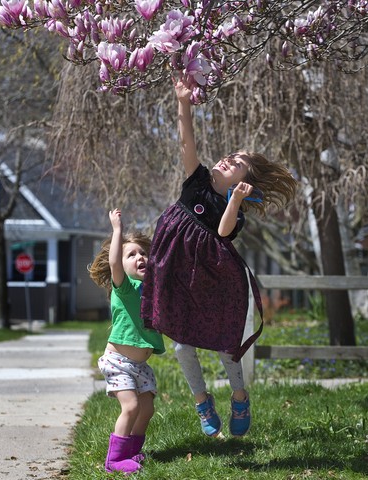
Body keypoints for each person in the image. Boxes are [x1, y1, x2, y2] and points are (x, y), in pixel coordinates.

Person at [141, 78, 297, 438]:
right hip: (177, 271)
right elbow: (186, 143)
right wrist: (183, 104)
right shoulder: (196, 181)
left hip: (212, 279)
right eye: (229, 156)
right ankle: (202, 401)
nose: (228, 160)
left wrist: (236, 201)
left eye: (238, 163)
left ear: (245, 181)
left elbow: (224, 232)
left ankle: (239, 396)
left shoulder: (234, 208)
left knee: (227, 344)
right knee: (182, 345)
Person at [88, 209, 165, 475]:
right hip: (118, 362)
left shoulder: (152, 289)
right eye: (131, 254)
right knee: (131, 406)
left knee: (147, 409)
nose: (140, 257)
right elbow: (114, 264)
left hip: (140, 366)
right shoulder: (124, 287)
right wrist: (117, 230)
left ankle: (132, 452)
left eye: (143, 253)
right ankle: (114, 460)